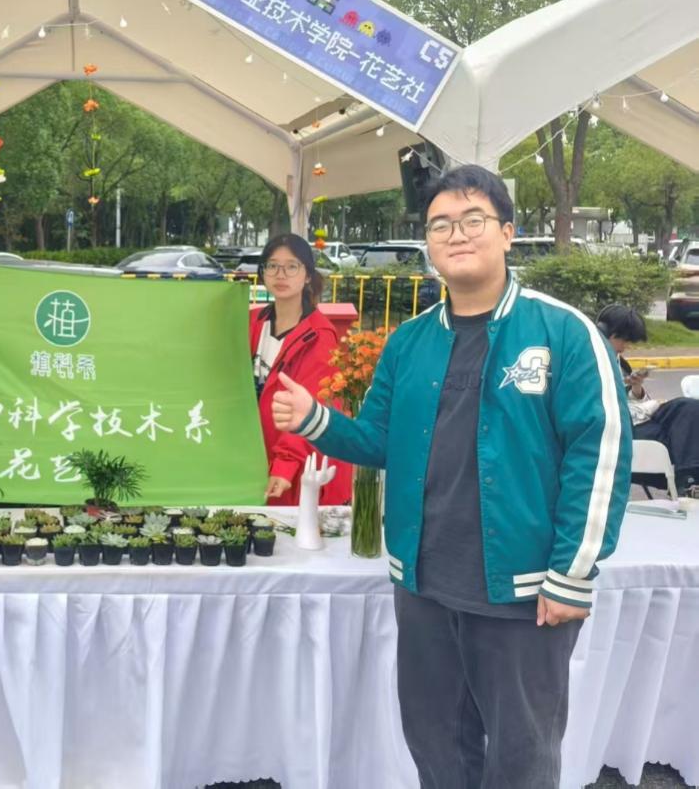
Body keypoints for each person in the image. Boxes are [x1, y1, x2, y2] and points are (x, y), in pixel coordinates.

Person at [270, 165, 631, 788]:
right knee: (436, 745)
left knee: (521, 757)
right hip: (425, 586)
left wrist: (571, 575)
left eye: (473, 220)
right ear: (429, 243)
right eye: (441, 224)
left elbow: (598, 453)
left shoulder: (563, 332)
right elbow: (379, 440)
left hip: (522, 591)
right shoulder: (410, 342)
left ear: (508, 232)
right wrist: (315, 420)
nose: (456, 234)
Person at [249, 234, 352, 505]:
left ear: (307, 275)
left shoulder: (319, 336)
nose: (281, 274)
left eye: (292, 266)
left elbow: (314, 408)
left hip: (300, 463)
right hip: (259, 454)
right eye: (272, 265)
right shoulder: (253, 323)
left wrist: (285, 464)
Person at [597, 303, 699, 493]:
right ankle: (688, 481)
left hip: (640, 416)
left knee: (689, 408)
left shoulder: (620, 363)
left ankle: (689, 480)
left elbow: (631, 400)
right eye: (624, 340)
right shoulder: (591, 362)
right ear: (606, 333)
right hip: (622, 425)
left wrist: (636, 388)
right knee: (678, 437)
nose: (625, 347)